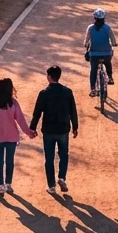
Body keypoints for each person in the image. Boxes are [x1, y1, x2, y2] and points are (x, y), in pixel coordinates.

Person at [30, 65, 79, 195]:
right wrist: (75, 127)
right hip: (63, 129)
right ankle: (61, 177)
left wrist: (32, 128)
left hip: (48, 130)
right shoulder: (67, 92)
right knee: (64, 155)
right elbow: (72, 110)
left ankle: (51, 185)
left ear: (49, 77)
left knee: (49, 158)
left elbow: (37, 113)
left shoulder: (44, 93)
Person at [0, 77, 35, 195]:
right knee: (10, 161)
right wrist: (29, 133)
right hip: (11, 137)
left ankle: (0, 185)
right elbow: (21, 120)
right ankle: (8, 184)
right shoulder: (13, 103)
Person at [82, 8, 117, 96]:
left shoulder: (90, 28)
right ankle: (110, 77)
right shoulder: (107, 28)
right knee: (108, 62)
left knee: (93, 70)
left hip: (94, 54)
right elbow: (112, 39)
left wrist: (86, 45)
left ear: (94, 18)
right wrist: (114, 44)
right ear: (104, 18)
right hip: (106, 53)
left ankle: (93, 89)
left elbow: (86, 41)